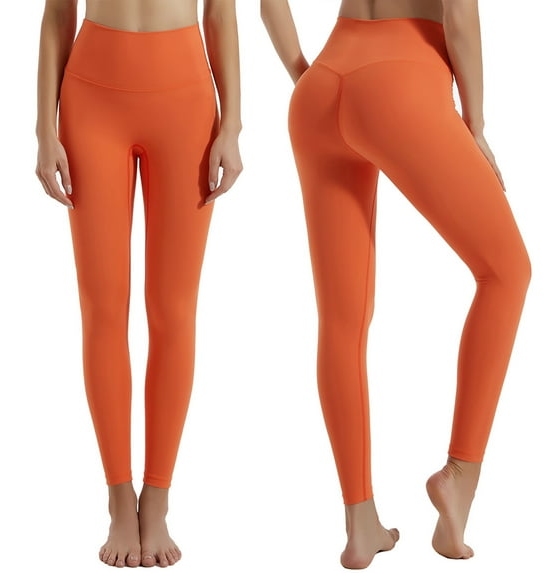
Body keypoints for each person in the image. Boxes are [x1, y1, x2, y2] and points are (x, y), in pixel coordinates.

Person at [261, 0, 530, 568]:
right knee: (507, 272)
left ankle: (361, 525)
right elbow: (460, 17)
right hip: (399, 85)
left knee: (341, 321)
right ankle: (460, 476)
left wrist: (303, 73)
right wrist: (475, 124)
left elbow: (268, 4)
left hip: (321, 86)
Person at [35, 0, 242, 567]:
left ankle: (158, 495)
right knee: (103, 308)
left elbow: (221, 14)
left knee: (173, 311)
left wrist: (232, 124)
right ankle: (118, 495)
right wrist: (44, 129)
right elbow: (57, 13)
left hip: (186, 101)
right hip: (91, 99)